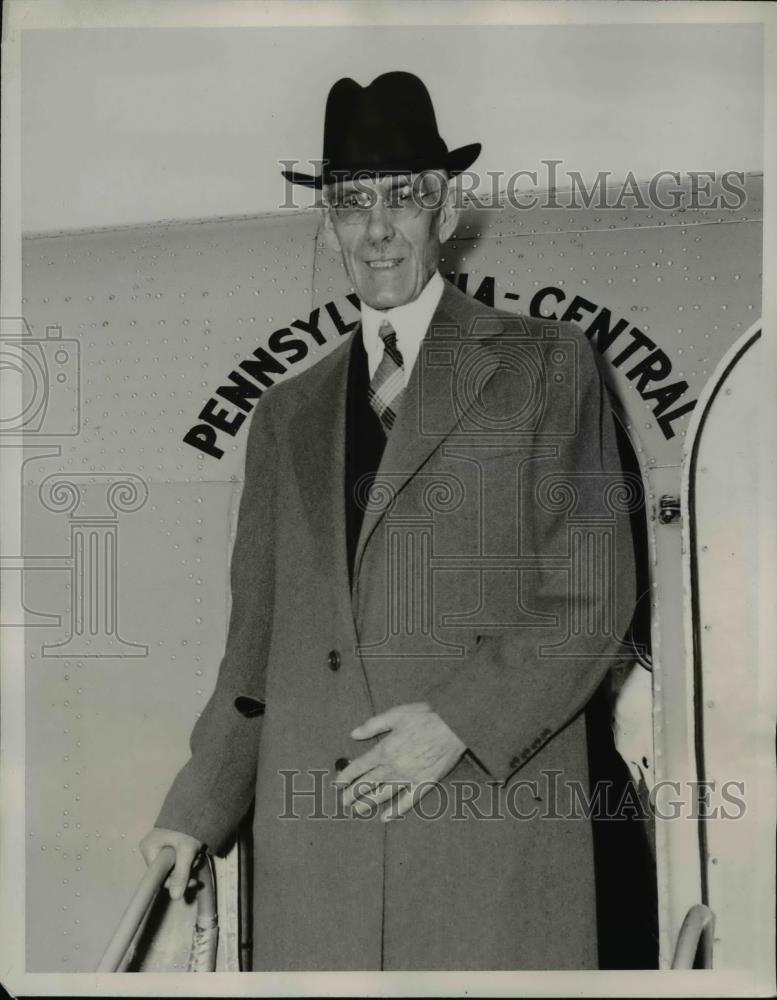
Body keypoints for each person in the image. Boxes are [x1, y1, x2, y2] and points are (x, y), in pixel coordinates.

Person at [140, 71, 638, 971]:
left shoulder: (548, 365)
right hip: (317, 866)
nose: (375, 228)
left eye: (401, 199)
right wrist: (193, 809)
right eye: (350, 203)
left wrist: (455, 721)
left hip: (488, 841)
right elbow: (252, 657)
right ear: (328, 222)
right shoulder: (286, 413)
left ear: (444, 211)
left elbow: (593, 598)